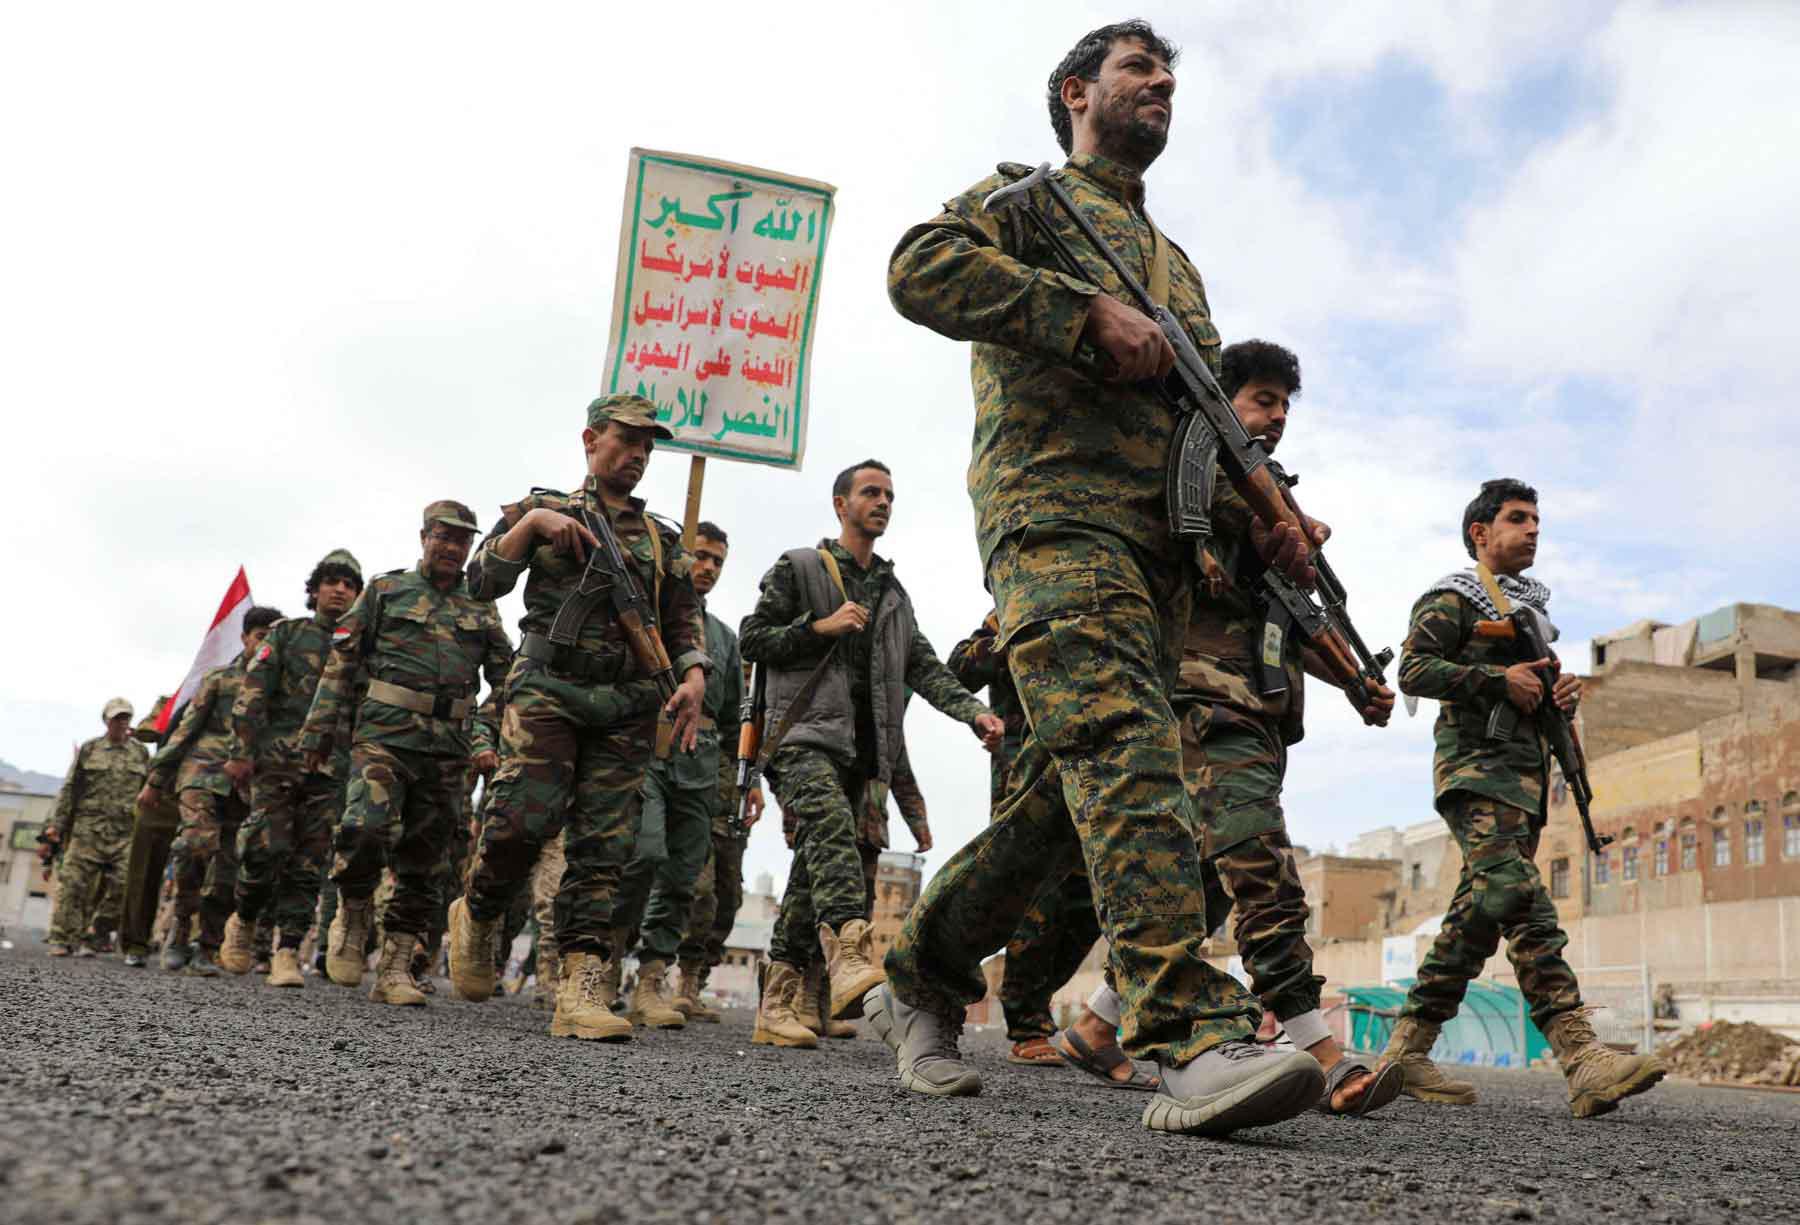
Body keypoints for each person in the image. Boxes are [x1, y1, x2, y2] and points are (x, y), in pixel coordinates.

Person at [875, 20, 1328, 1132]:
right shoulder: (1022, 200)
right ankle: (1188, 1031)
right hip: (1051, 524)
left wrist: (1258, 514)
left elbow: (1199, 434)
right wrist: (1076, 314)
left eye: (1171, 72)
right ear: (1076, 92)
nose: (1164, 83)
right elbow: (915, 268)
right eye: (1139, 67)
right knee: (1127, 751)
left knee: (1070, 811)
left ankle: (922, 966)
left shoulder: (1179, 270)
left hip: (1156, 560)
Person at [1158, 339, 1404, 1115]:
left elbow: (1296, 623)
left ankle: (1099, 1024)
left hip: (1258, 713)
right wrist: (1268, 523)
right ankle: (1317, 1043)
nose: (1277, 417)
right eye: (1263, 400)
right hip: (1205, 698)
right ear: (1224, 399)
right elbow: (1179, 524)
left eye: (1286, 405)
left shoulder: (1276, 510)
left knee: (1204, 887)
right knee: (1258, 857)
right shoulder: (1198, 469)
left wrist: (1357, 683)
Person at [1380, 479, 1667, 1118]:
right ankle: (1581, 1054)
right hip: (1475, 775)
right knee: (1518, 896)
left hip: (1522, 786)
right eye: (1518, 518)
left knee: (1476, 917)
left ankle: (1406, 1049)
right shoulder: (1453, 597)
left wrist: (1557, 694)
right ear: (1480, 532)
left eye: (1537, 519)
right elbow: (1413, 670)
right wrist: (1492, 677)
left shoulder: (1532, 612)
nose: (1533, 529)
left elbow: (1532, 687)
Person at [446, 393, 709, 1045]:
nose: (640, 456)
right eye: (627, 441)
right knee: (520, 821)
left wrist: (695, 673)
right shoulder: (543, 509)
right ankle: (478, 909)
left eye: (649, 446)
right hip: (549, 689)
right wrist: (531, 525)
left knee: (605, 847)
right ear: (591, 440)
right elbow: (479, 583)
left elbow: (682, 615)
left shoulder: (660, 539)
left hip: (625, 704)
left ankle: (583, 980)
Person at [739, 459, 1002, 1049]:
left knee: (813, 873)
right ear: (841, 505)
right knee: (829, 830)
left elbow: (926, 668)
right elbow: (753, 639)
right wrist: (819, 626)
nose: (882, 502)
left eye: (889, 494)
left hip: (862, 755)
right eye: (869, 492)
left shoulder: (892, 594)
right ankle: (852, 956)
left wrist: (973, 713)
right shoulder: (800, 567)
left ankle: (777, 1005)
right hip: (802, 737)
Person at [300, 501, 512, 1006]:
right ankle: (353, 911)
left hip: (447, 748)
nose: (451, 547)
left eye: (462, 540)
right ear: (423, 537)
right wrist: (318, 730)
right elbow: (342, 661)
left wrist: (485, 732)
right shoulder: (385, 590)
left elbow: (506, 679)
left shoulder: (480, 605)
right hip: (383, 736)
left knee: (426, 858)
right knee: (364, 827)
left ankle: (395, 965)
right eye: (443, 536)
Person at [611, 520, 751, 1028]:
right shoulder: (648, 618)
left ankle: (652, 980)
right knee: (642, 854)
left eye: (717, 561)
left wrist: (745, 782)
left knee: (685, 874)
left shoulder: (725, 639)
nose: (707, 568)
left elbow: (737, 716)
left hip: (702, 762)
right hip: (646, 750)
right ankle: (605, 962)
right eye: (701, 556)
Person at [947, 612, 1100, 1068]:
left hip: (1091, 766)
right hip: (1025, 773)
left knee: (1090, 897)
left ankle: (1036, 1004)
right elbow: (961, 668)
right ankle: (1025, 1022)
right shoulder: (1016, 607)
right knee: (1034, 893)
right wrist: (1004, 627)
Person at [220, 550, 363, 987]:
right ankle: (243, 919)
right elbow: (252, 694)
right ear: (315, 589)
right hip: (277, 761)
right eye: (331, 581)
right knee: (267, 848)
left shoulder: (359, 646)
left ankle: (287, 951)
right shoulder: (286, 636)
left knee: (309, 861)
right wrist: (241, 751)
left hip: (330, 768)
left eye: (349, 584)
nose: (339, 590)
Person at [137, 607, 284, 974]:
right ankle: (181, 929)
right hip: (202, 772)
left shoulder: (281, 689)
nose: (264, 642)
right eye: (259, 635)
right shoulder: (219, 679)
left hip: (246, 786)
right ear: (245, 638)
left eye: (272, 636)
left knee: (230, 865)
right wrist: (156, 779)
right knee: (196, 844)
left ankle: (208, 944)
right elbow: (186, 729)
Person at [44, 699, 149, 956]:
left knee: (122, 886)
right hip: (87, 829)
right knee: (73, 884)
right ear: (106, 721)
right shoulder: (91, 749)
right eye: (116, 718)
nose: (121, 723)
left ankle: (95, 933)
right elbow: (70, 788)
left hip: (123, 832)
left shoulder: (140, 753)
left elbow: (148, 790)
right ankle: (62, 938)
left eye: (126, 718)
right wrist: (57, 825)